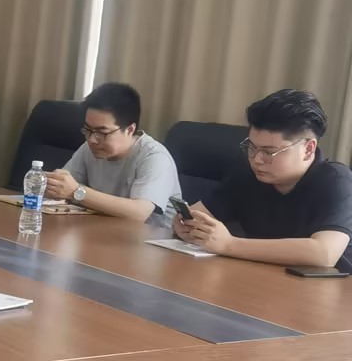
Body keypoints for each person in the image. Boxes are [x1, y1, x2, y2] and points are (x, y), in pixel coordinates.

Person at [174, 89, 352, 270]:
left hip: (330, 284)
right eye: (251, 147)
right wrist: (186, 226)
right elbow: (200, 213)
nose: (257, 159)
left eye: (269, 152)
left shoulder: (336, 180)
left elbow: (324, 253)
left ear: (308, 149)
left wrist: (229, 244)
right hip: (262, 277)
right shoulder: (249, 173)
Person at [45, 81, 180, 221]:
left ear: (130, 129)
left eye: (102, 132)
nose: (92, 139)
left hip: (149, 234)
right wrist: (53, 186)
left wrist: (76, 192)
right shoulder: (89, 148)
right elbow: (62, 188)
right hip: (102, 228)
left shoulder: (154, 156)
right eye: (88, 130)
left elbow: (139, 213)